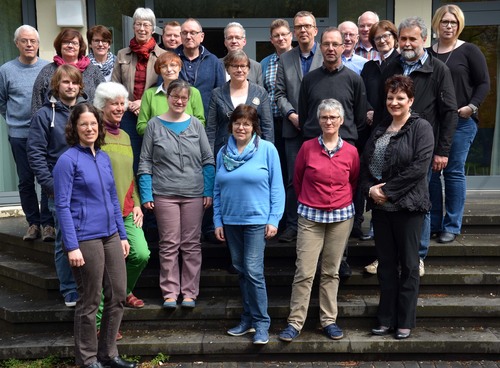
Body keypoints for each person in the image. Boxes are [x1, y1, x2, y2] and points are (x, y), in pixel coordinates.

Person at [53, 103, 136, 368]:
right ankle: (87, 359)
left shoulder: (103, 157)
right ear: (75, 128)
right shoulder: (67, 161)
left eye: (93, 124)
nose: (89, 128)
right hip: (84, 238)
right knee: (90, 299)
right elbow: (62, 206)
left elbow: (113, 198)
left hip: (111, 234)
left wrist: (122, 235)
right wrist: (72, 246)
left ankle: (108, 354)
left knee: (119, 294)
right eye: (83, 124)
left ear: (99, 127)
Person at [378, 16, 458, 276]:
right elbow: (384, 107)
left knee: (418, 202)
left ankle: (418, 255)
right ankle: (389, 255)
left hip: (422, 147)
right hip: (391, 145)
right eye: (403, 38)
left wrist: (442, 151)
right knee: (391, 200)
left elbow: (449, 112)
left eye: (413, 38)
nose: (407, 43)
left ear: (424, 39)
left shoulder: (438, 70)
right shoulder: (390, 66)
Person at [360, 75, 434, 340]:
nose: (394, 102)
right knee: (386, 267)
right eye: (390, 98)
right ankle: (385, 319)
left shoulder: (421, 127)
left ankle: (404, 321)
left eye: (400, 98)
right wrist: (370, 189)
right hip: (381, 211)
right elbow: (365, 164)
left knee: (409, 267)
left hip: (408, 209)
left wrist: (387, 192)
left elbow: (419, 168)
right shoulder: (380, 128)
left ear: (410, 100)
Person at [279, 99, 359, 342]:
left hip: (341, 217)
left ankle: (328, 320)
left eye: (334, 117)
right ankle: (295, 322)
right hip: (310, 217)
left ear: (341, 121)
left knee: (331, 272)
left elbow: (353, 181)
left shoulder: (351, 151)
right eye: (324, 117)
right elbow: (298, 179)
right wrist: (313, 199)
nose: (329, 121)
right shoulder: (307, 148)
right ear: (318, 120)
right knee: (304, 271)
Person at [138, 79, 214, 309]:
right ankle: (170, 292)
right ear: (167, 98)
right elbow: (145, 162)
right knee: (169, 244)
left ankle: (190, 292)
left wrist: (208, 190)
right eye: (175, 97)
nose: (179, 101)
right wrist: (146, 194)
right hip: (164, 193)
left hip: (193, 193)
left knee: (191, 244)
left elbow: (208, 161)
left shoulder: (196, 125)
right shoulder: (154, 124)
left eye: (184, 98)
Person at [213, 104, 284, 345]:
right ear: (231, 125)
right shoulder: (223, 152)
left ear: (254, 127)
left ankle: (262, 323)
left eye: (246, 123)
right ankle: (247, 318)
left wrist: (274, 219)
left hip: (256, 220)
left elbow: (277, 188)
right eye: (237, 122)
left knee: (253, 271)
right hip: (231, 220)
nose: (241, 127)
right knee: (241, 271)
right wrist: (217, 220)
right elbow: (217, 189)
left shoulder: (267, 150)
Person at [429, 4, 490, 244]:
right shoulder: (428, 53)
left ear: (459, 25)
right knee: (432, 175)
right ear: (437, 23)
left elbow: (484, 83)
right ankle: (433, 223)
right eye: (445, 21)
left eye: (454, 22)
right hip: (433, 124)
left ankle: (451, 225)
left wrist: (471, 107)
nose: (449, 26)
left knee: (453, 172)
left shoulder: (469, 51)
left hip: (462, 122)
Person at [28, 64, 87, 308]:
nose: (70, 86)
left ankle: (88, 285)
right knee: (66, 240)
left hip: (86, 188)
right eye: (65, 82)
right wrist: (51, 185)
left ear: (80, 86)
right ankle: (70, 289)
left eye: (74, 82)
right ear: (57, 85)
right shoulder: (44, 115)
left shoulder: (86, 111)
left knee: (87, 239)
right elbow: (35, 154)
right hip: (60, 189)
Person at [93, 82, 150, 325]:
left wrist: (137, 203)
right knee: (108, 267)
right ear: (102, 106)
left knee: (141, 254)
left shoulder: (126, 135)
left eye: (121, 103)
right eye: (113, 103)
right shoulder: (95, 134)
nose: (119, 108)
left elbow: (130, 175)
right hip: (103, 212)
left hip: (127, 209)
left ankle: (124, 291)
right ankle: (100, 324)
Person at [0, 25, 53, 242]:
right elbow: (2, 101)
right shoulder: (6, 70)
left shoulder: (49, 68)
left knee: (45, 177)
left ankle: (48, 224)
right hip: (19, 134)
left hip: (45, 134)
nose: (29, 44)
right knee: (25, 180)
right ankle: (33, 223)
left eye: (33, 41)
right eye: (24, 41)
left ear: (38, 44)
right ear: (17, 44)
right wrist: (14, 120)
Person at [275, 10, 323, 244]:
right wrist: (292, 115)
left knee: (319, 176)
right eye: (298, 27)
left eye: (307, 26)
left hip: (322, 130)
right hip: (293, 130)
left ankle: (316, 224)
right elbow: (279, 93)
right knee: (294, 180)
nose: (303, 30)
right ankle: (293, 224)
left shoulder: (327, 54)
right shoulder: (285, 59)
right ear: (294, 32)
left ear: (315, 30)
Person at [361, 20, 400, 273]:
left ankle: (401, 255)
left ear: (394, 37)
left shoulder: (400, 63)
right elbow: (362, 96)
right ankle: (380, 249)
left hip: (397, 131)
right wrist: (367, 110)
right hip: (374, 132)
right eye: (377, 38)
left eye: (386, 36)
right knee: (376, 184)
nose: (382, 40)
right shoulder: (369, 67)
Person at [111, 7, 166, 174]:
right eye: (138, 24)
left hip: (153, 113)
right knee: (130, 157)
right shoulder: (121, 54)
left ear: (153, 28)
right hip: (127, 114)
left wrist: (143, 102)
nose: (142, 29)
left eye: (146, 25)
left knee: (154, 156)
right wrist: (129, 104)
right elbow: (115, 85)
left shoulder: (163, 55)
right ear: (133, 26)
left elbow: (165, 86)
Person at [207, 49, 274, 155]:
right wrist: (209, 158)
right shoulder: (217, 94)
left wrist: (268, 153)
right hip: (224, 151)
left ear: (248, 69)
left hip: (254, 151)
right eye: (234, 66)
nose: (239, 70)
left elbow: (267, 126)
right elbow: (211, 128)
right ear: (227, 69)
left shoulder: (260, 92)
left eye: (243, 66)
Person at [31, 28, 105, 114]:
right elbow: (37, 102)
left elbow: (105, 100)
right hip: (54, 124)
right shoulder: (47, 71)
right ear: (60, 46)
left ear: (80, 47)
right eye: (66, 42)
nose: (70, 45)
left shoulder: (93, 71)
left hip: (88, 124)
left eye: (74, 43)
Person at [137, 51, 205, 135]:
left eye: (173, 65)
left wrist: (181, 134)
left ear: (180, 68)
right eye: (164, 66)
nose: (169, 69)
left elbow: (201, 122)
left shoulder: (193, 92)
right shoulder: (149, 94)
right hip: (159, 143)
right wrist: (163, 133)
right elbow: (141, 126)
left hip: (186, 142)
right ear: (159, 70)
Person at [260, 18, 293, 192]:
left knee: (291, 171)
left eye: (284, 34)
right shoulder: (265, 64)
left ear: (291, 36)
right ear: (271, 40)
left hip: (293, 123)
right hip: (272, 123)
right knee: (274, 168)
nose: (281, 38)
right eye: (276, 36)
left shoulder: (298, 60)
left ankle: (290, 216)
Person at [176, 18, 226, 116]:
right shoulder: (170, 59)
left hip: (206, 119)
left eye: (193, 33)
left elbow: (221, 93)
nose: (188, 36)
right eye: (185, 33)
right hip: (176, 119)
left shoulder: (213, 61)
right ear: (181, 36)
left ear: (202, 36)